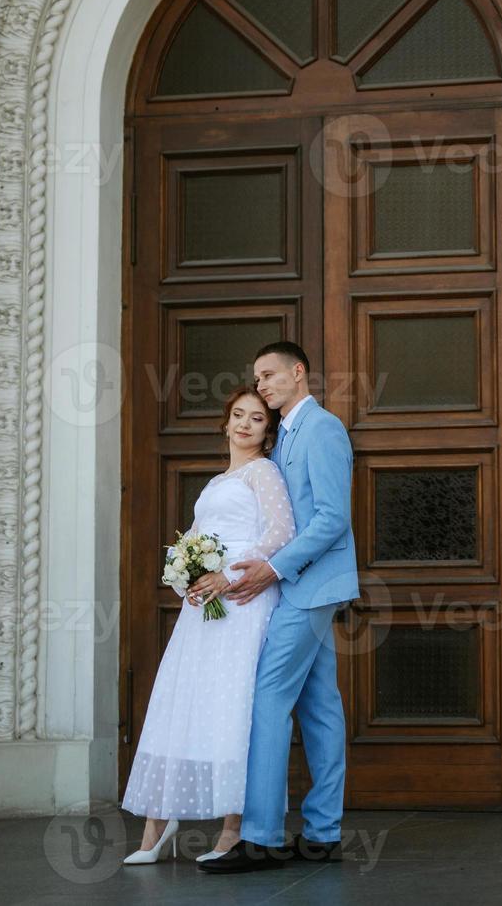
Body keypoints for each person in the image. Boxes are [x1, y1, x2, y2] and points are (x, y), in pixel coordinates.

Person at [196, 341, 360, 873]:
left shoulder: (323, 428)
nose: (261, 384)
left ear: (298, 372)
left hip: (310, 586)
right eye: (256, 378)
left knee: (267, 699)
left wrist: (275, 568)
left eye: (268, 375)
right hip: (299, 586)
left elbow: (332, 517)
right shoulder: (286, 434)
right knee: (319, 708)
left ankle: (262, 837)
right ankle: (322, 835)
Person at [119, 385, 295, 865]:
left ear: (267, 430)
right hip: (204, 607)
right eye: (238, 415)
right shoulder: (217, 483)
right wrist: (187, 575)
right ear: (225, 423)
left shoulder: (265, 473)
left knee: (231, 704)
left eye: (256, 418)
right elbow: (194, 538)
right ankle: (158, 823)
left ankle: (232, 829)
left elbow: (281, 534)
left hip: (243, 596)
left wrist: (228, 572)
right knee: (184, 700)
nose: (244, 424)